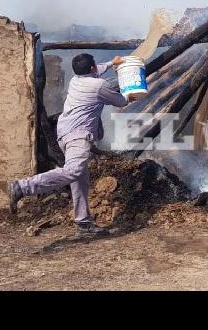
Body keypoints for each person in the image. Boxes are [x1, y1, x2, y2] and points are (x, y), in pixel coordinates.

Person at [7, 53, 127, 235]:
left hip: (65, 133)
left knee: (80, 180)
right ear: (92, 68)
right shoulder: (99, 85)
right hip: (78, 135)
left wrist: (112, 63)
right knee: (74, 171)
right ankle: (22, 187)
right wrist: (133, 86)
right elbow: (122, 101)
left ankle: (83, 222)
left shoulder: (75, 80)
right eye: (96, 66)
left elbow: (98, 70)